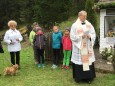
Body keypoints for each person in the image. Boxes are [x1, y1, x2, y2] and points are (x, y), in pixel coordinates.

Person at [70, 10, 96, 83]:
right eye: (84, 16)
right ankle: (79, 78)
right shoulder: (74, 25)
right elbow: (72, 36)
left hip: (87, 47)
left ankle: (88, 78)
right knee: (80, 63)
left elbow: (93, 33)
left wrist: (89, 36)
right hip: (79, 47)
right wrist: (81, 36)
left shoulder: (89, 24)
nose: (85, 17)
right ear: (79, 16)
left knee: (88, 62)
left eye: (86, 16)